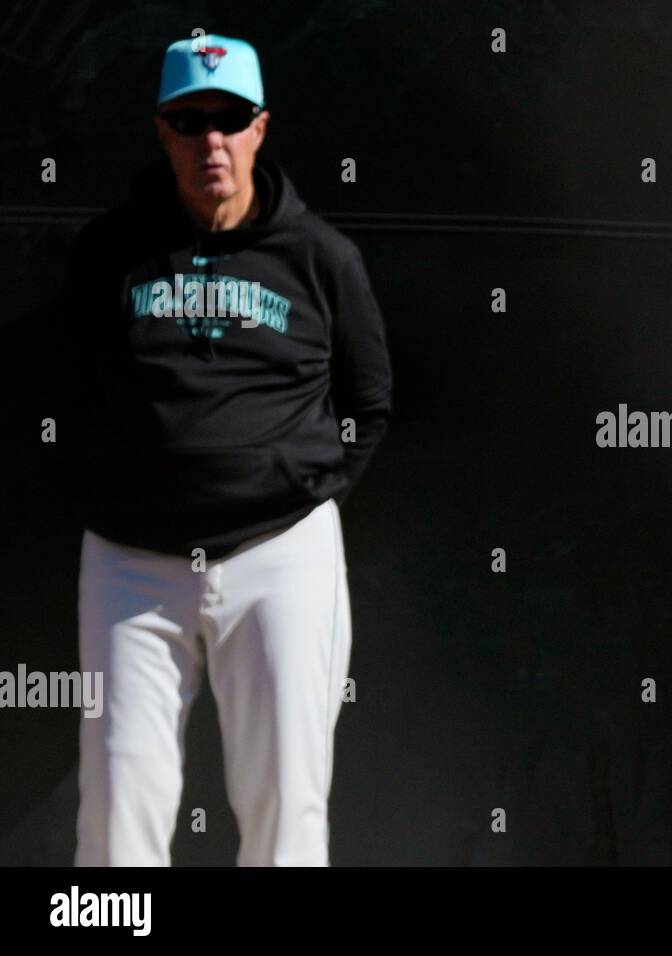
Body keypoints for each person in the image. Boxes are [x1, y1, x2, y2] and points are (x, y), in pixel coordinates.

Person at [57, 34, 393, 865]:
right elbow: (62, 390)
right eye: (190, 119)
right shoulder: (108, 253)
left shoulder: (321, 258)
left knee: (287, 809)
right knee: (115, 806)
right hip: (132, 563)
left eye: (229, 119)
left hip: (281, 556)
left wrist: (294, 489)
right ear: (163, 133)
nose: (211, 139)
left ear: (259, 129)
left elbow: (369, 400)